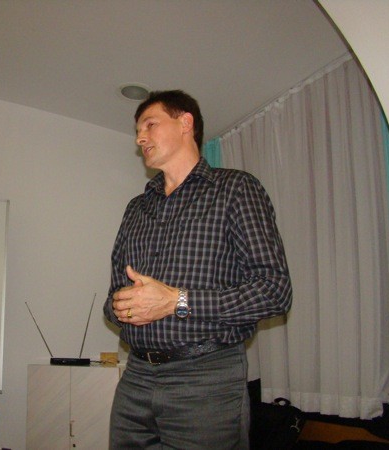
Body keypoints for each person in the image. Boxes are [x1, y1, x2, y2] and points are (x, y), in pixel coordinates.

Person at [103, 90, 292, 449]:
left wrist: (176, 301)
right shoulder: (136, 208)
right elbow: (113, 296)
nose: (140, 137)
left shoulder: (236, 188)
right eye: (137, 130)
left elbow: (274, 290)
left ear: (185, 123)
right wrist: (123, 307)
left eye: (149, 124)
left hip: (206, 378)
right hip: (135, 378)